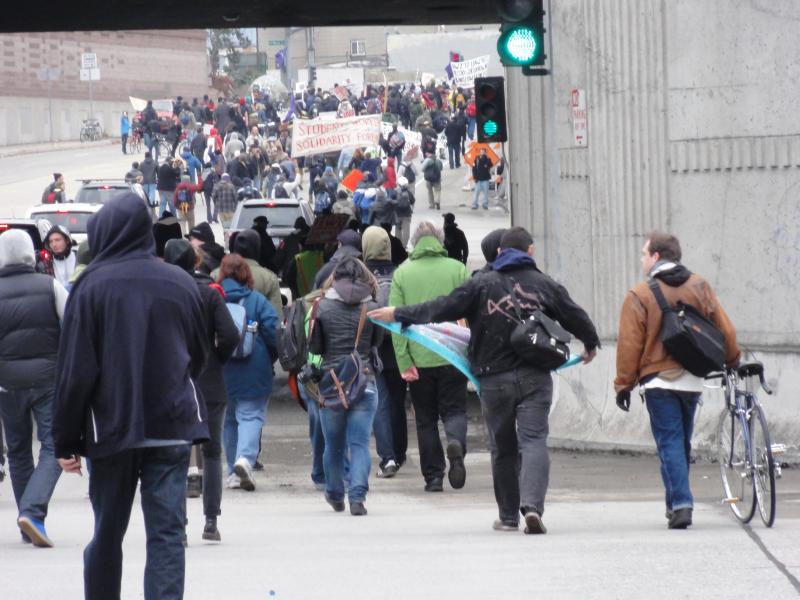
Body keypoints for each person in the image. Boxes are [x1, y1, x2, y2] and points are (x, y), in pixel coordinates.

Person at [370, 226, 600, 534]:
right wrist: (591, 343)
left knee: (502, 448)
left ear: (500, 253)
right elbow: (575, 315)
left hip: (494, 381)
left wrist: (399, 313)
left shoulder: (480, 284)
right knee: (533, 441)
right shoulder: (545, 285)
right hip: (535, 378)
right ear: (529, 252)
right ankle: (532, 507)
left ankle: (507, 517)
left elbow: (440, 308)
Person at [52, 193, 210, 599]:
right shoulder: (180, 283)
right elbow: (199, 353)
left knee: (107, 531)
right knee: (167, 533)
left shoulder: (90, 287)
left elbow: (74, 373)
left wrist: (66, 438)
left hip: (112, 428)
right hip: (171, 425)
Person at [614, 232, 741, 530]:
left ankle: (682, 504)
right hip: (693, 378)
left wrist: (623, 384)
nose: (641, 259)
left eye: (644, 254)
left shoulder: (640, 295)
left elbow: (629, 345)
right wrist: (733, 360)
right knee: (680, 442)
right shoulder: (700, 285)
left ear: (657, 256)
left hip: (658, 381)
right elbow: (725, 329)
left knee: (669, 442)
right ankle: (674, 505)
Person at [164, 239, 238, 542]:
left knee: (177, 453)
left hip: (172, 381)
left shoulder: (163, 294)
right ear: (197, 262)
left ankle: (178, 523)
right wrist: (216, 359)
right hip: (209, 380)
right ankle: (211, 521)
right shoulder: (210, 293)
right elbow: (230, 334)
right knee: (212, 451)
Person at [386, 221, 469, 492]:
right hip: (453, 355)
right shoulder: (457, 269)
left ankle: (434, 477)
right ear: (439, 241)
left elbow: (396, 323)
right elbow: (471, 312)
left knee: (425, 419)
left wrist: (404, 361)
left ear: (414, 242)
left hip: (419, 359)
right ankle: (455, 442)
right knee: (455, 409)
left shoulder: (402, 274)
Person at [0, 229, 67, 547]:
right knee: (54, 447)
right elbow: (72, 327)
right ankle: (32, 510)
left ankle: (27, 520)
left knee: (17, 451)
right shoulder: (49, 286)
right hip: (48, 379)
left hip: (6, 384)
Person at [308, 257, 383, 516]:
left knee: (334, 444)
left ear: (335, 278)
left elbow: (315, 348)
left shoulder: (322, 307)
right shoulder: (373, 308)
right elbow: (377, 342)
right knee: (360, 443)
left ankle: (335, 493)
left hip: (332, 384)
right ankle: (358, 496)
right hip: (364, 380)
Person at [217, 254, 278, 492]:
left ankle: (233, 473)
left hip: (222, 369)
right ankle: (245, 460)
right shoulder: (257, 300)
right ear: (246, 274)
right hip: (254, 367)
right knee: (250, 416)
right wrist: (270, 358)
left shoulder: (215, 299)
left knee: (229, 420)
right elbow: (273, 332)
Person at [362, 226, 406, 476]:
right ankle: (399, 453)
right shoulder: (400, 274)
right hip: (399, 347)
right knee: (398, 401)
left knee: (381, 402)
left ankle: (387, 456)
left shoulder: (363, 276)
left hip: (374, 348)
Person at [212, 229, 282, 317]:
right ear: (258, 249)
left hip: (223, 328)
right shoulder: (269, 278)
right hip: (257, 328)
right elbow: (276, 316)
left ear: (234, 249)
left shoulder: (216, 274)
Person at [393, 176, 414, 247]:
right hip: (407, 214)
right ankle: (404, 245)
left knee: (397, 230)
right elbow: (412, 201)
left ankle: (398, 245)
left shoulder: (395, 192)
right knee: (406, 231)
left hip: (397, 214)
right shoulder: (408, 192)